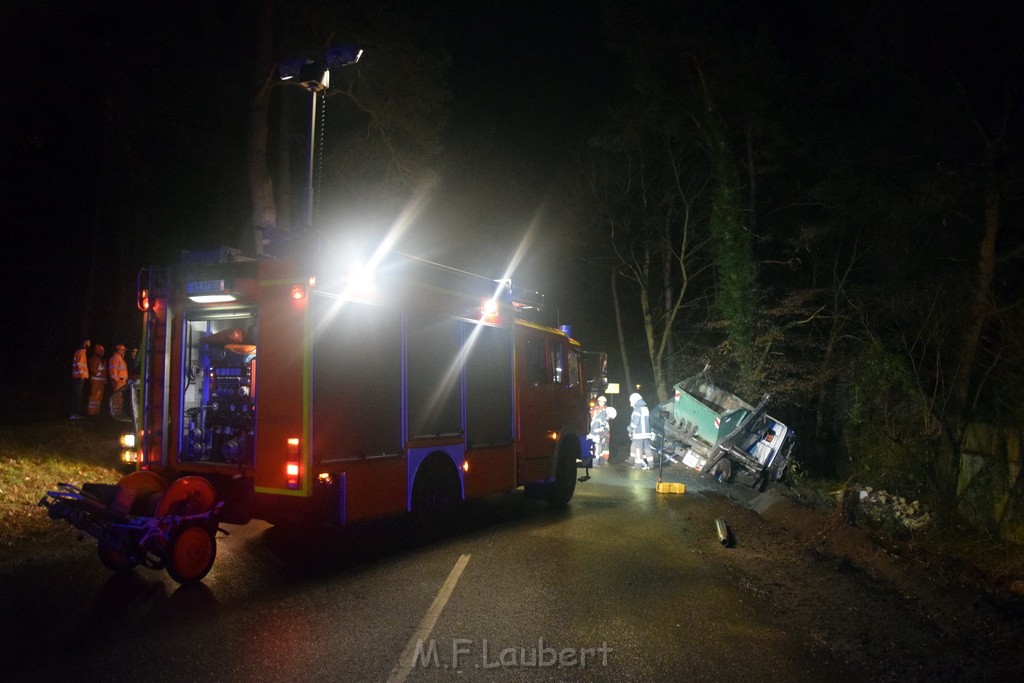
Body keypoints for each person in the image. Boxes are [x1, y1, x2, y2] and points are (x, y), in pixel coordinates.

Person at [628, 392, 654, 470]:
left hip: (639, 434)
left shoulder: (637, 409)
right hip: (647, 433)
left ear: (635, 401)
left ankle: (638, 465)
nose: (631, 403)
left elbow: (635, 422)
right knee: (647, 448)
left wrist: (630, 428)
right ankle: (651, 464)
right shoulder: (645, 408)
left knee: (638, 449)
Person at [69, 338, 90, 419]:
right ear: (85, 343)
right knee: (77, 395)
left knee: (76, 395)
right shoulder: (82, 352)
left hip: (77, 377)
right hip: (79, 377)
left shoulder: (78, 351)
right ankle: (75, 413)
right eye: (89, 342)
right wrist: (82, 375)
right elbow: (80, 365)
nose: (89, 344)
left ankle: (74, 413)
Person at [108, 344, 129, 416]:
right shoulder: (115, 358)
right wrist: (116, 380)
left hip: (122, 381)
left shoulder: (120, 358)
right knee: (117, 397)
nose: (124, 352)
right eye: (123, 350)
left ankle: (118, 411)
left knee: (120, 397)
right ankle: (116, 412)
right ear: (119, 350)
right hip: (118, 381)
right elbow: (113, 370)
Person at [87, 344, 107, 417]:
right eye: (101, 351)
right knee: (94, 396)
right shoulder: (94, 359)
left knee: (99, 396)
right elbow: (93, 368)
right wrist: (97, 373)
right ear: (97, 351)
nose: (102, 352)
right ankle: (91, 411)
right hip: (95, 380)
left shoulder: (102, 360)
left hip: (101, 380)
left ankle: (97, 411)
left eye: (103, 351)